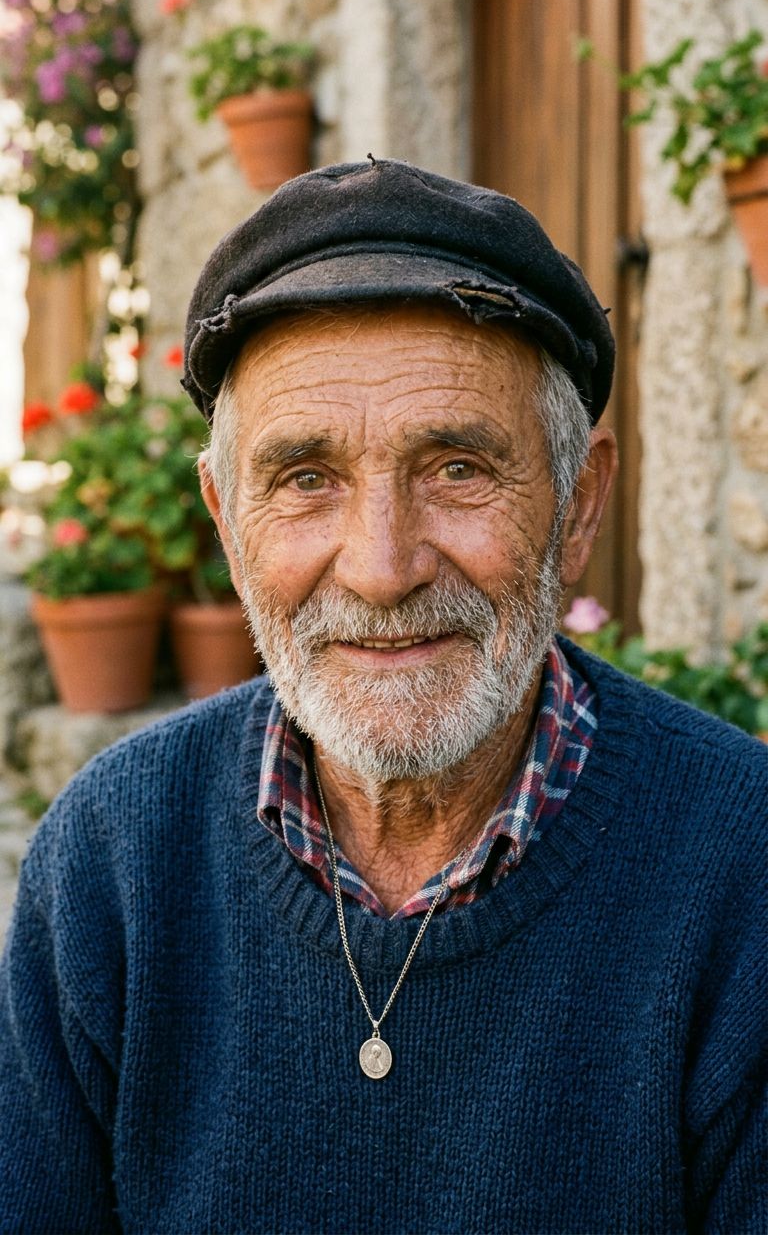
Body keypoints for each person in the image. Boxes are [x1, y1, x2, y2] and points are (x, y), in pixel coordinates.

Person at [0, 158, 764, 1234]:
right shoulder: (113, 857)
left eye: (457, 466)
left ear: (578, 505)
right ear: (226, 519)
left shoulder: (743, 865)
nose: (380, 565)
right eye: (306, 478)